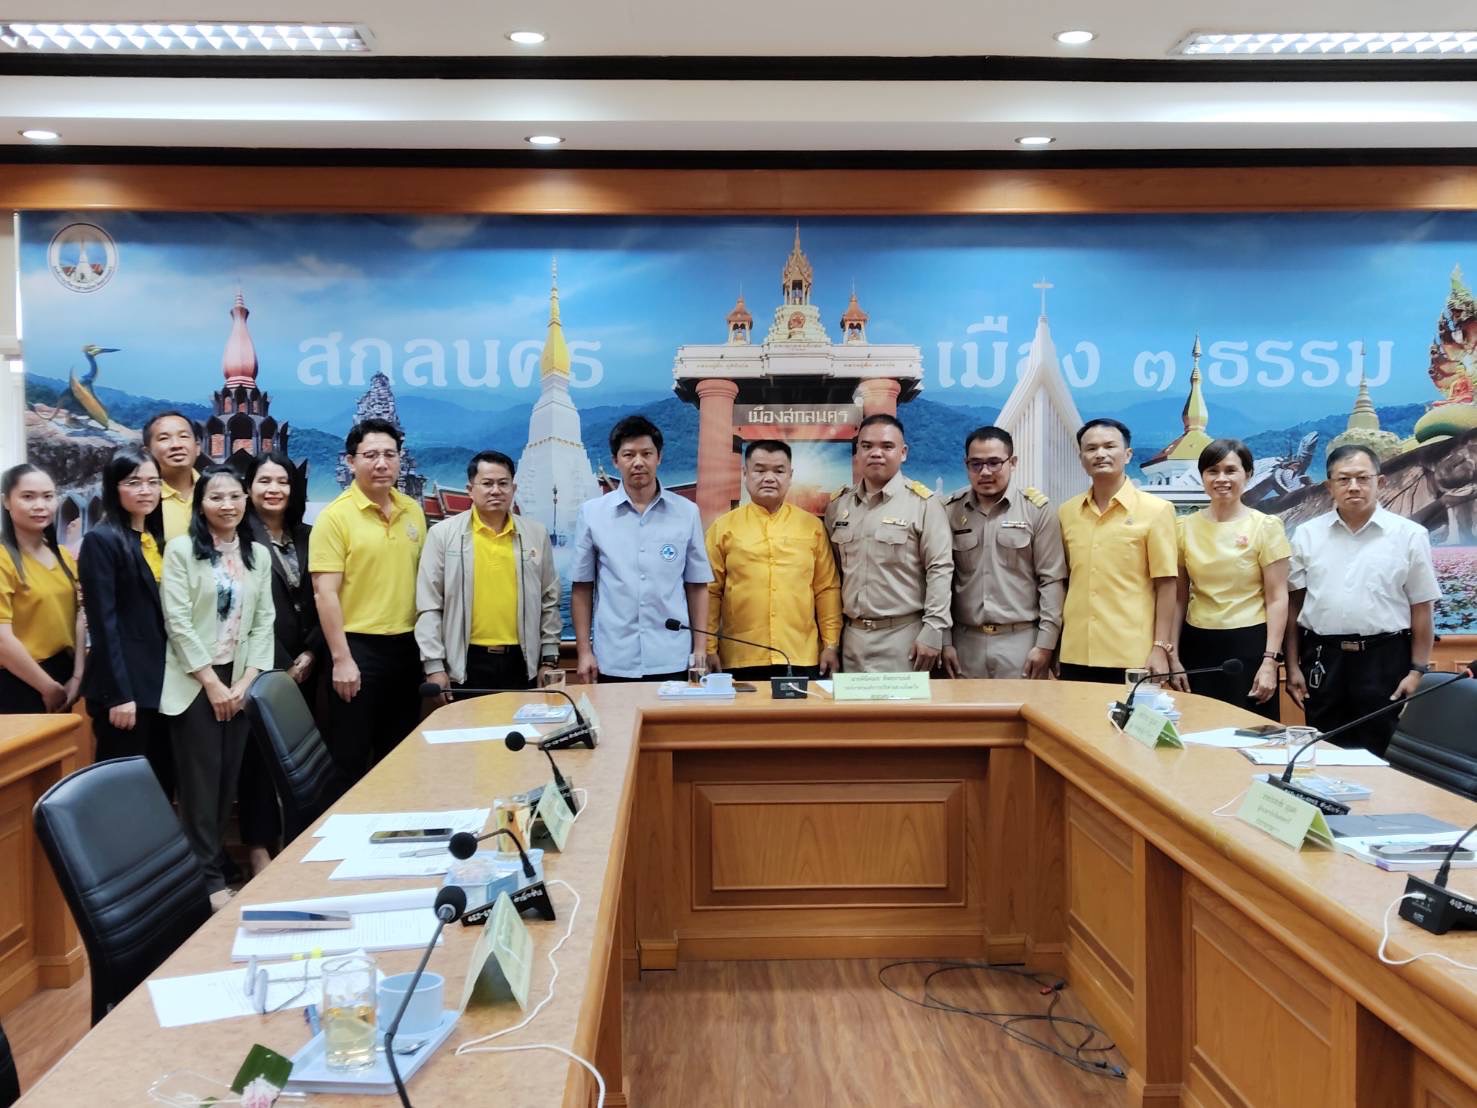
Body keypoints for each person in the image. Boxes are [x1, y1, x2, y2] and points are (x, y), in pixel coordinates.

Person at [160, 465, 274, 909]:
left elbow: (264, 621)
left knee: (227, 782)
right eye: (216, 497)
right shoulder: (181, 550)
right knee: (200, 787)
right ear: (200, 504)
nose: (227, 505)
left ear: (245, 500)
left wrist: (246, 680)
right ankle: (206, 882)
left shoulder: (257, 554)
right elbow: (178, 622)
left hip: (240, 679)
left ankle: (211, 868)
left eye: (234, 496)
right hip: (195, 682)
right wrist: (210, 682)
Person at [1286, 444, 1441, 756]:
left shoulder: (1409, 535)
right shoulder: (1306, 534)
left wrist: (1417, 671)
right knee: (1325, 750)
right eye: (1343, 479)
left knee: (1381, 750)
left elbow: (1422, 607)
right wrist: (1291, 666)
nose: (1353, 486)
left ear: (1380, 482)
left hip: (1385, 660)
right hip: (1323, 658)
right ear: (1329, 486)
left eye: (1362, 478)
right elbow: (1294, 607)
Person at [309, 418, 427, 777]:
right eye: (371, 455)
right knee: (351, 756)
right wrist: (341, 659)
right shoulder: (335, 517)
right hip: (357, 651)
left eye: (390, 455)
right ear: (351, 461)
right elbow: (324, 594)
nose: (381, 463)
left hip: (407, 649)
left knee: (401, 755)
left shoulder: (413, 510)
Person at [571, 415, 711, 682]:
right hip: (614, 657)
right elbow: (582, 587)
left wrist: (700, 649)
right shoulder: (592, 513)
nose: (638, 462)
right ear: (615, 461)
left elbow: (697, 585)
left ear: (659, 457)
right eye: (628, 455)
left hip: (672, 655)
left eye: (646, 454)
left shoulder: (687, 512)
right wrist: (584, 651)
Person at [417, 450, 561, 695]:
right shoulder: (442, 535)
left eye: (503, 483)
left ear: (513, 488)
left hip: (522, 661)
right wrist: (434, 665)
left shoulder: (536, 534)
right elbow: (429, 604)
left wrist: (549, 658)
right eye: (487, 484)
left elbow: (550, 600)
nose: (496, 491)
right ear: (470, 490)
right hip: (465, 662)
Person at [240, 450, 323, 873]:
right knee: (257, 760)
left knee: (308, 761)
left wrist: (311, 653)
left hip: (314, 663)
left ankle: (302, 845)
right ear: (249, 488)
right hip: (259, 665)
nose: (274, 489)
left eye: (283, 481)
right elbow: (244, 611)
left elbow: (329, 596)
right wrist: (283, 664)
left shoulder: (311, 535)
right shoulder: (238, 537)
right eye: (265, 481)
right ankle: (258, 847)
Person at [78, 445, 174, 794]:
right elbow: (103, 624)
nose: (146, 490)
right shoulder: (101, 540)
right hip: (126, 689)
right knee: (122, 791)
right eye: (134, 483)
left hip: (160, 685)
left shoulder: (153, 539)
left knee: (160, 785)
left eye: (153, 482)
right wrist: (119, 695)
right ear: (114, 487)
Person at [1171, 439, 1290, 719]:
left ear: (1247, 474)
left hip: (1250, 645)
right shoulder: (1183, 527)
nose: (1221, 479)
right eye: (1212, 471)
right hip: (1197, 643)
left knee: (1250, 730)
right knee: (1198, 727)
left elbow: (1277, 597)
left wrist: (1270, 660)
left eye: (1230, 470)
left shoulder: (1265, 526)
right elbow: (1177, 598)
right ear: (1202, 476)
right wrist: (1173, 655)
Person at [824, 413, 952, 673]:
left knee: (904, 703)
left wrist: (934, 628)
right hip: (852, 639)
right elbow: (834, 574)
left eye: (887, 446)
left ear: (903, 453)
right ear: (857, 452)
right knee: (851, 702)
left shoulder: (924, 504)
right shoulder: (839, 506)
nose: (876, 453)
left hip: (905, 638)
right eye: (867, 446)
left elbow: (940, 569)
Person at [704, 440, 841, 680]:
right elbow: (710, 591)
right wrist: (708, 647)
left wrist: (831, 644)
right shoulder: (723, 528)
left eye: (778, 471)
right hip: (740, 656)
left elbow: (826, 589)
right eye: (759, 470)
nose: (769, 478)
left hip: (801, 655)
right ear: (745, 474)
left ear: (790, 476)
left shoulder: (811, 527)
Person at [1057, 418, 1178, 684]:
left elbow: (1167, 583)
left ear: (1128, 454)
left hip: (1132, 653)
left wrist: (1160, 646)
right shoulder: (1067, 512)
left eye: (1109, 446)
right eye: (1091, 448)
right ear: (1081, 458)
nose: (1100, 454)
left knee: (1131, 714)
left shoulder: (1156, 510)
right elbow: (1064, 581)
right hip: (1075, 651)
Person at [939, 427, 1066, 680]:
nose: (985, 472)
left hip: (1021, 642)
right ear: (966, 465)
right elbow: (940, 579)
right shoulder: (948, 510)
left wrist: (1045, 645)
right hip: (964, 643)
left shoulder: (1036, 510)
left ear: (1013, 462)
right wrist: (944, 641)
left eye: (994, 463)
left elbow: (1051, 580)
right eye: (976, 464)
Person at [0, 464, 84, 713]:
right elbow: (2, 639)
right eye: (28, 497)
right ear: (6, 501)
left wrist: (77, 676)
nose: (40, 505)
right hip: (19, 680)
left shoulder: (64, 557)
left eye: (48, 496)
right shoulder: (3, 558)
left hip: (64, 674)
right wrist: (47, 688)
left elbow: (79, 615)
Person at [144, 410, 202, 541]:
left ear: (197, 447)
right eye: (164, 438)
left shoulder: (216, 491)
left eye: (184, 436)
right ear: (147, 453)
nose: (176, 445)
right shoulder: (142, 499)